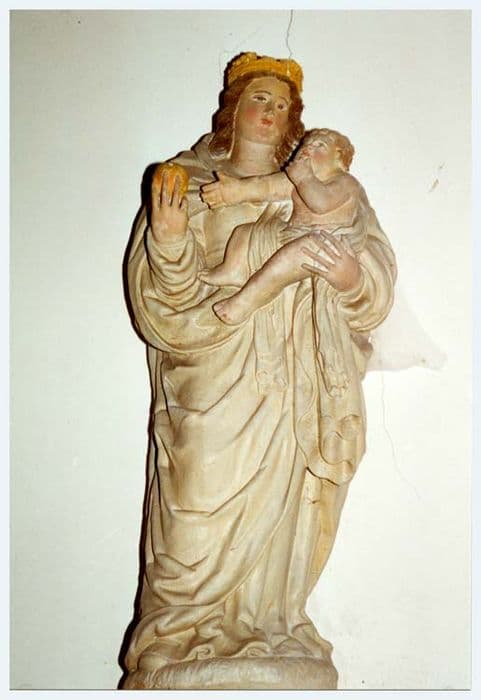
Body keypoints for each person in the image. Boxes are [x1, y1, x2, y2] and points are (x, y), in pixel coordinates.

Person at [122, 52, 396, 690]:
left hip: (294, 373)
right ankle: (175, 634)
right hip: (211, 368)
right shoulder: (185, 182)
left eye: (281, 103)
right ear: (233, 109)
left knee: (286, 510)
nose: (270, 111)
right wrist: (169, 239)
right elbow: (160, 300)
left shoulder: (320, 186)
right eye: (258, 99)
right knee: (194, 495)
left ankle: (269, 622)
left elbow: (373, 277)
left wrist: (349, 277)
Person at [199, 128, 370, 326]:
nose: (308, 148)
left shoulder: (345, 182)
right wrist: (235, 190)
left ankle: (246, 301)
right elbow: (267, 187)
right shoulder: (299, 179)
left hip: (326, 247)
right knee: (245, 232)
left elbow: (320, 203)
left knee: (290, 258)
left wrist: (304, 178)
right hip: (292, 235)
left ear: (338, 157)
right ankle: (232, 269)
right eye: (306, 144)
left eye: (319, 145)